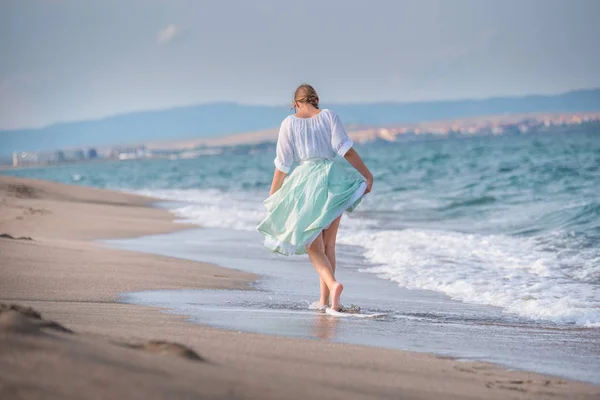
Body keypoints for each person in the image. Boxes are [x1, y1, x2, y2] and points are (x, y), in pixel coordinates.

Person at [257, 84, 373, 311]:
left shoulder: (289, 123)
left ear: (296, 103)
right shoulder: (329, 116)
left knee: (312, 245)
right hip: (333, 179)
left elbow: (282, 164)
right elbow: (346, 150)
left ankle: (333, 285)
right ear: (316, 99)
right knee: (329, 245)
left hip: (306, 184)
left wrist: (274, 196)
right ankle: (326, 302)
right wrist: (367, 175)